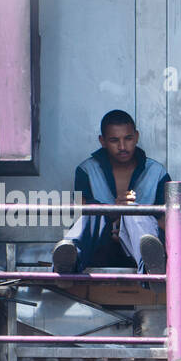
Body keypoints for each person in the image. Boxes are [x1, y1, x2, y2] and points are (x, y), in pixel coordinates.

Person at [51, 110, 170, 279]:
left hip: (139, 252)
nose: (122, 147)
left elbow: (169, 224)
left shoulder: (157, 172)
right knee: (93, 211)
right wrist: (112, 213)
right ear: (103, 141)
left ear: (136, 136)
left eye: (128, 139)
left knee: (134, 211)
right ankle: (68, 264)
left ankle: (152, 268)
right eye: (114, 140)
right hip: (100, 251)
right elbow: (81, 213)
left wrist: (127, 222)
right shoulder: (85, 170)